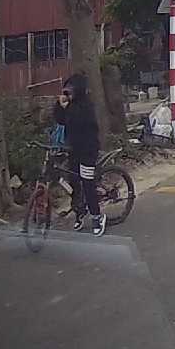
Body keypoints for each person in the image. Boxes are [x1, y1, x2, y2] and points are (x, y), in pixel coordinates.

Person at [53, 73, 106, 236]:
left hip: (88, 150)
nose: (68, 92)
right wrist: (59, 106)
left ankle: (97, 216)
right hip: (74, 149)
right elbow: (61, 120)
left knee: (87, 182)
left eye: (71, 89)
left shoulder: (86, 106)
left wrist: (67, 108)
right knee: (74, 183)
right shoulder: (69, 105)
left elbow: (79, 121)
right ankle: (79, 212)